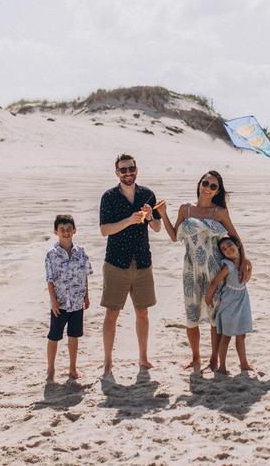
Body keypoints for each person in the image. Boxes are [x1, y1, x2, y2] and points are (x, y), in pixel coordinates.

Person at [157, 170, 251, 371]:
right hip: (191, 268)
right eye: (205, 183)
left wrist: (244, 260)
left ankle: (214, 360)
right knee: (191, 316)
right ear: (200, 184)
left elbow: (235, 237)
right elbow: (174, 236)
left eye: (213, 186)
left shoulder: (219, 212)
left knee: (214, 316)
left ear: (217, 191)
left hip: (214, 268)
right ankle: (195, 358)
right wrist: (163, 214)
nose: (208, 188)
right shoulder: (186, 209)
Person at [98, 153, 162, 375]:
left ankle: (143, 358)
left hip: (143, 261)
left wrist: (151, 216)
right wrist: (129, 221)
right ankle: (108, 361)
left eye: (130, 168)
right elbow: (104, 230)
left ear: (137, 169)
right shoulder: (108, 197)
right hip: (117, 262)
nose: (127, 173)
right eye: (123, 170)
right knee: (112, 313)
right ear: (117, 173)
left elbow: (157, 228)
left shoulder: (148, 195)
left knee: (142, 312)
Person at [44, 214, 92, 380]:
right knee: (54, 336)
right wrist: (53, 301)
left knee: (74, 336)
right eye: (62, 230)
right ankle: (51, 369)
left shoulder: (81, 252)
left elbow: (85, 274)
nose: (66, 232)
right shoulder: (51, 254)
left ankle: (72, 368)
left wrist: (86, 296)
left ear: (74, 231)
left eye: (69, 229)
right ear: (56, 231)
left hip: (77, 302)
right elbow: (49, 280)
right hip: (60, 303)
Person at [205, 234, 254, 374]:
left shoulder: (245, 263)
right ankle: (222, 367)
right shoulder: (229, 266)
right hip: (229, 303)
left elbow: (248, 275)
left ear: (237, 245)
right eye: (224, 249)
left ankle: (244, 364)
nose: (227, 249)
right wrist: (208, 296)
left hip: (243, 300)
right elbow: (215, 281)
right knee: (226, 336)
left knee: (241, 335)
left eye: (229, 245)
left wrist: (249, 270)